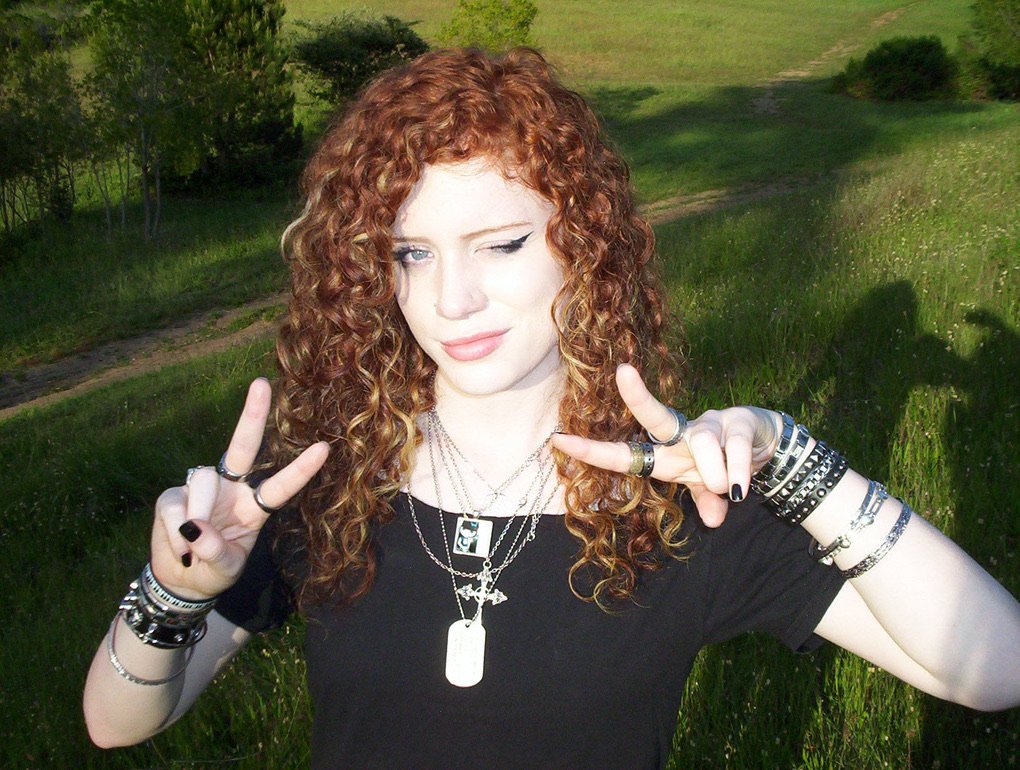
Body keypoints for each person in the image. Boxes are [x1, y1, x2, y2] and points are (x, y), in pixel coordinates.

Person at [83, 47, 1020, 767]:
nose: (450, 300)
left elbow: (994, 668)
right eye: (412, 254)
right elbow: (119, 723)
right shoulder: (322, 486)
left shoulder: (674, 507)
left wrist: (792, 456)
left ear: (584, 243)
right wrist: (175, 589)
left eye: (498, 245)